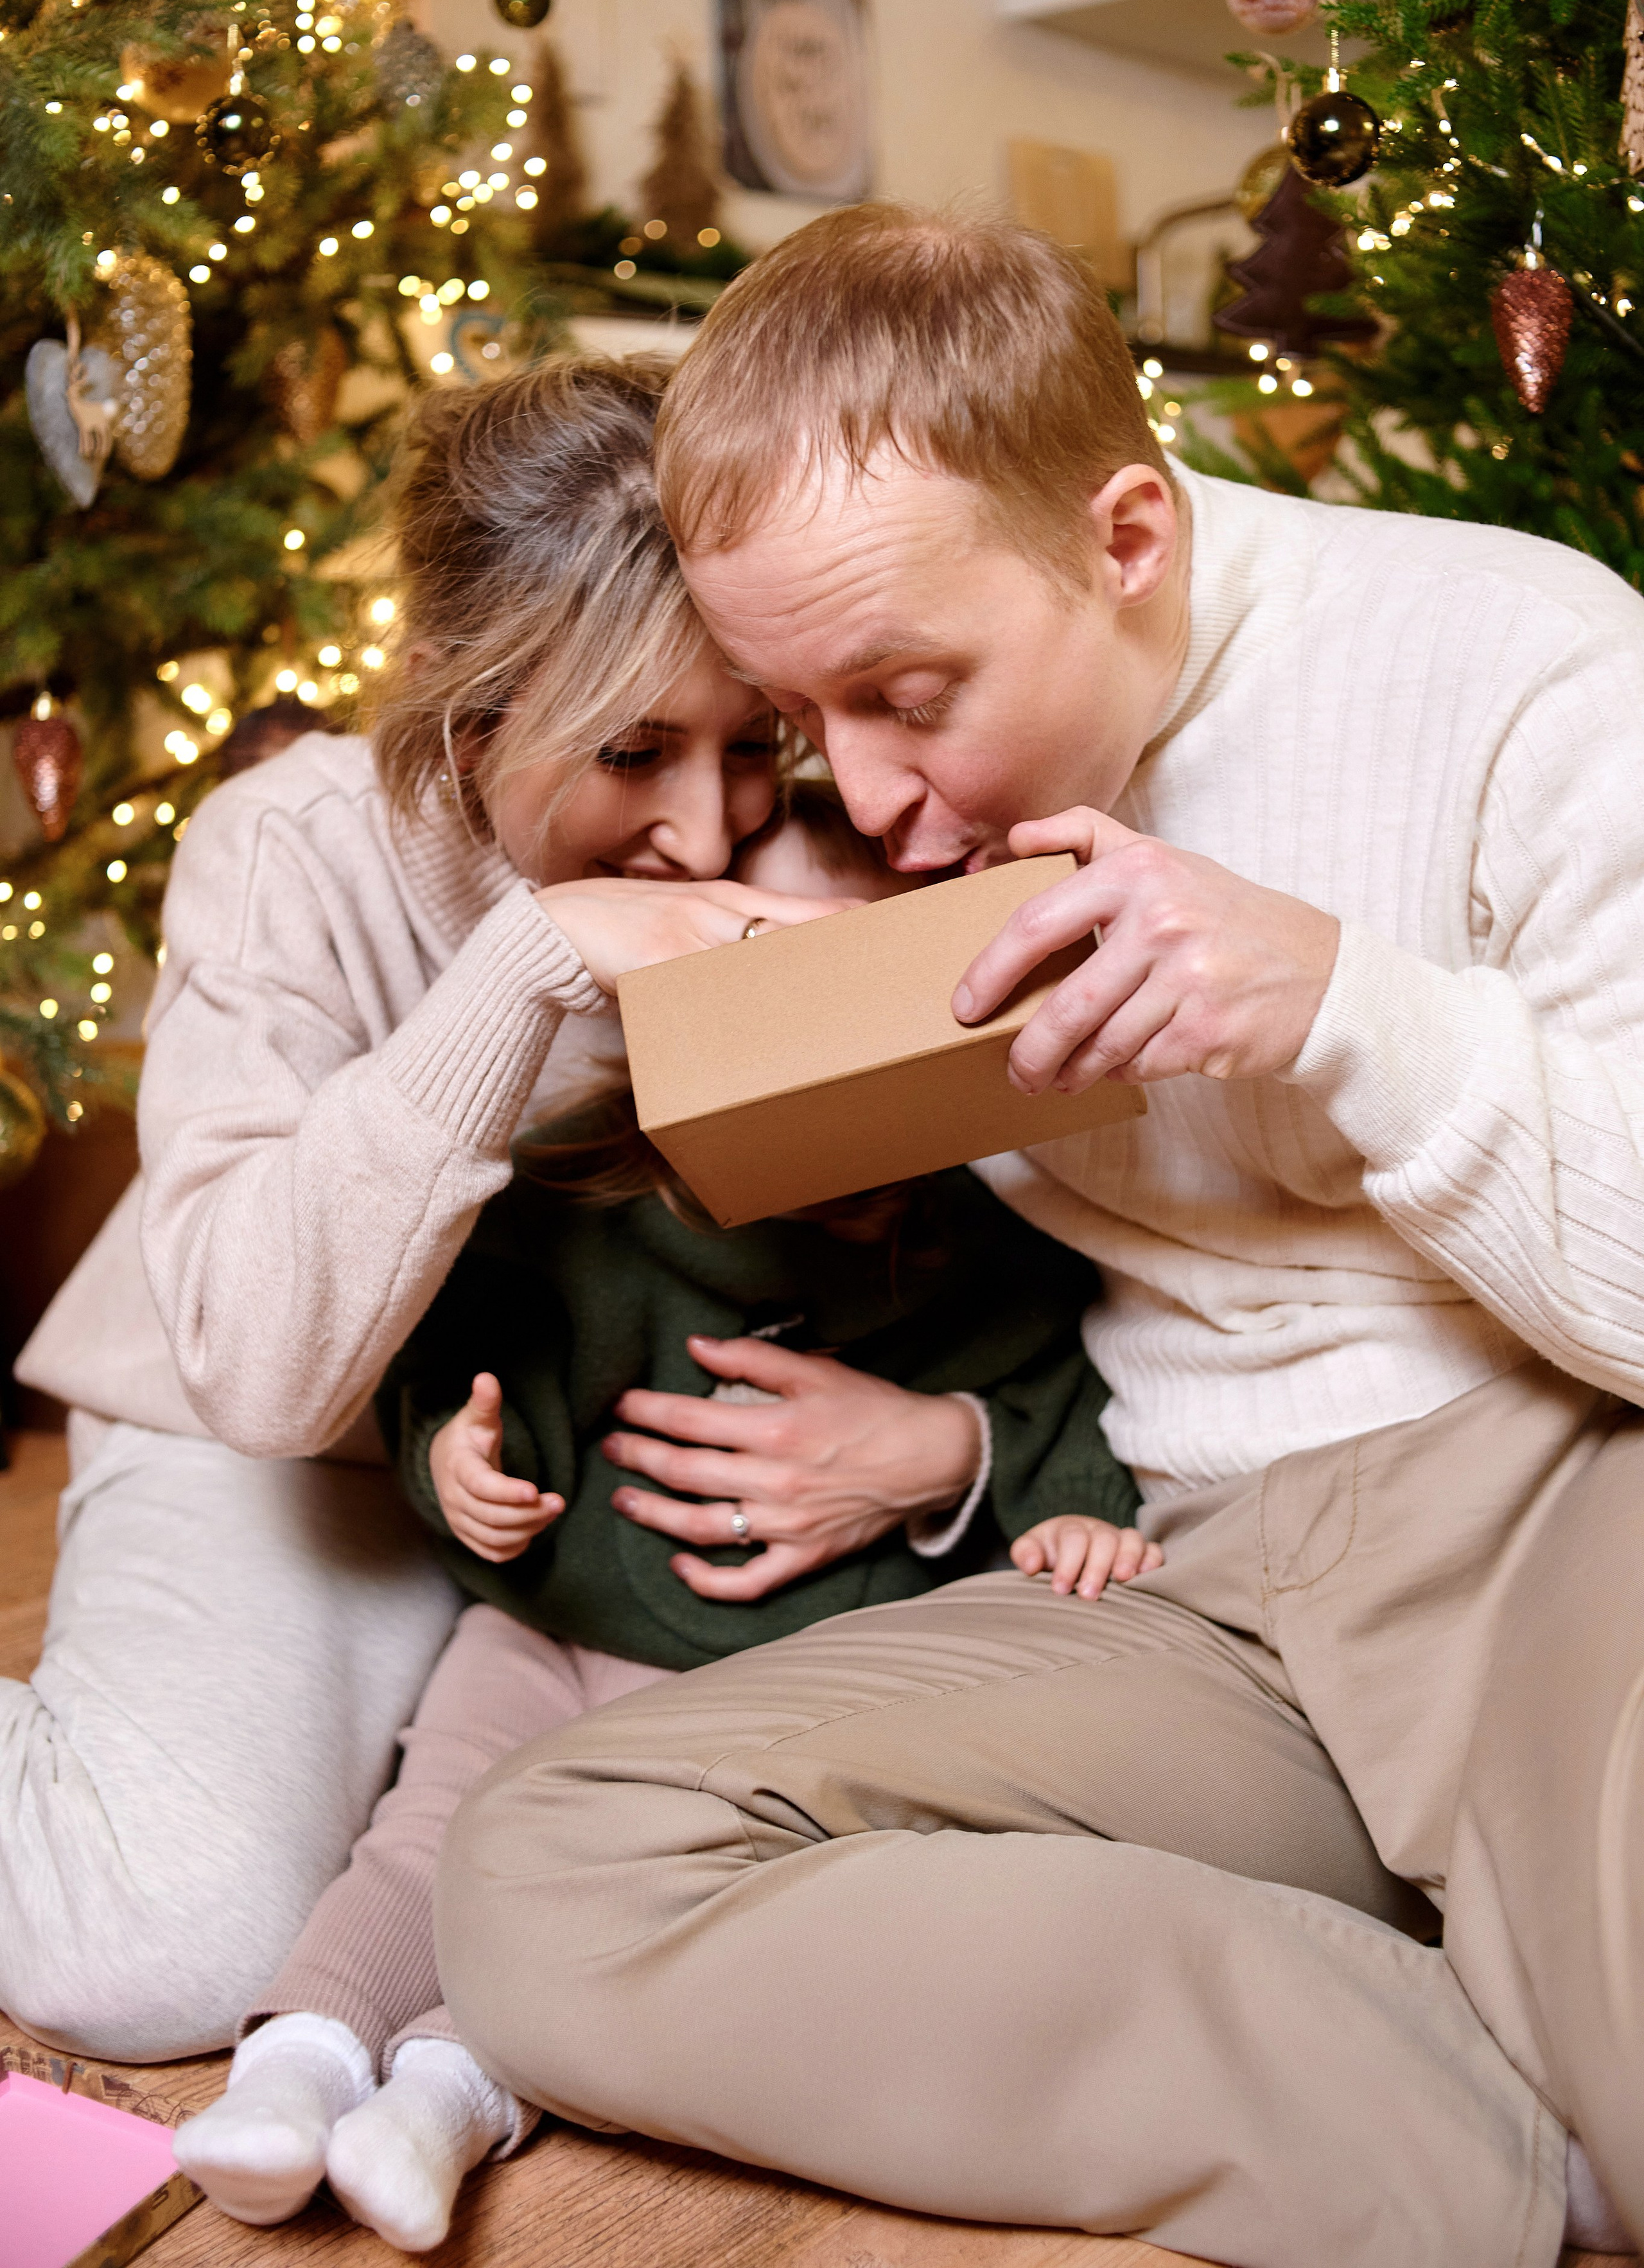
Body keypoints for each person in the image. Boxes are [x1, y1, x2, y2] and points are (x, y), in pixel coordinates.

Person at [435, 208, 1644, 2267]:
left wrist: (1353, 1012)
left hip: (1549, 1500)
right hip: (1189, 1574)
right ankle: (1492, 2161)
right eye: (810, 719)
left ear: (1128, 539)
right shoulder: (871, 838)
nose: (875, 799)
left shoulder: (1530, 664)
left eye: (911, 695)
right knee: (556, 1869)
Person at [0, 356, 985, 2064]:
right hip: (292, 1436)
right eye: (630, 753)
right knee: (162, 1951)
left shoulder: (817, 838)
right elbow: (265, 1376)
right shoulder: (285, 852)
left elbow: (964, 1236)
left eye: (748, 741)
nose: (706, 826)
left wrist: (942, 1443)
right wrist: (524, 971)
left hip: (590, 1471)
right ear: (471, 724)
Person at [173, 786, 1187, 2253]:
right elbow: (464, 1354)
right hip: (550, 1622)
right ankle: (297, 2066)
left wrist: (1044, 1502)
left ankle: (450, 2096)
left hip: (753, 1688)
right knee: (421, 1836)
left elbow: (1060, 1405)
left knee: (617, 1900)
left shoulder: (975, 1234)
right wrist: (460, 1458)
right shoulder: (579, 1185)